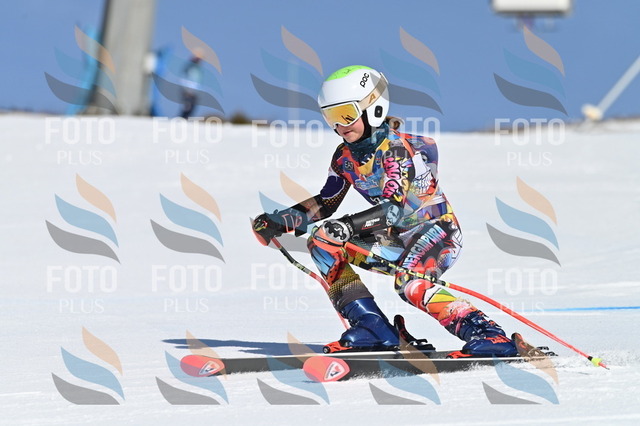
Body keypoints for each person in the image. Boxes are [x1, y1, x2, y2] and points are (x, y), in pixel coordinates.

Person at [252, 65, 517, 357]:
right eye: (331, 117)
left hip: (437, 232)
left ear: (373, 108)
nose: (340, 125)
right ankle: (372, 327)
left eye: (346, 114)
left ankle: (488, 334)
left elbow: (393, 209)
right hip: (397, 237)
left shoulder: (396, 150)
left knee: (411, 284)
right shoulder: (344, 157)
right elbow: (326, 202)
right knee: (322, 242)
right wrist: (280, 221)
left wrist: (348, 227)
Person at [179, 50, 204, 119]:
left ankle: (185, 119)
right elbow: (184, 78)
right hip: (188, 91)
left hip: (194, 92)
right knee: (187, 107)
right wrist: (187, 90)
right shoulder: (190, 67)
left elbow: (198, 81)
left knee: (192, 108)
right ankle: (182, 119)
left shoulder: (198, 68)